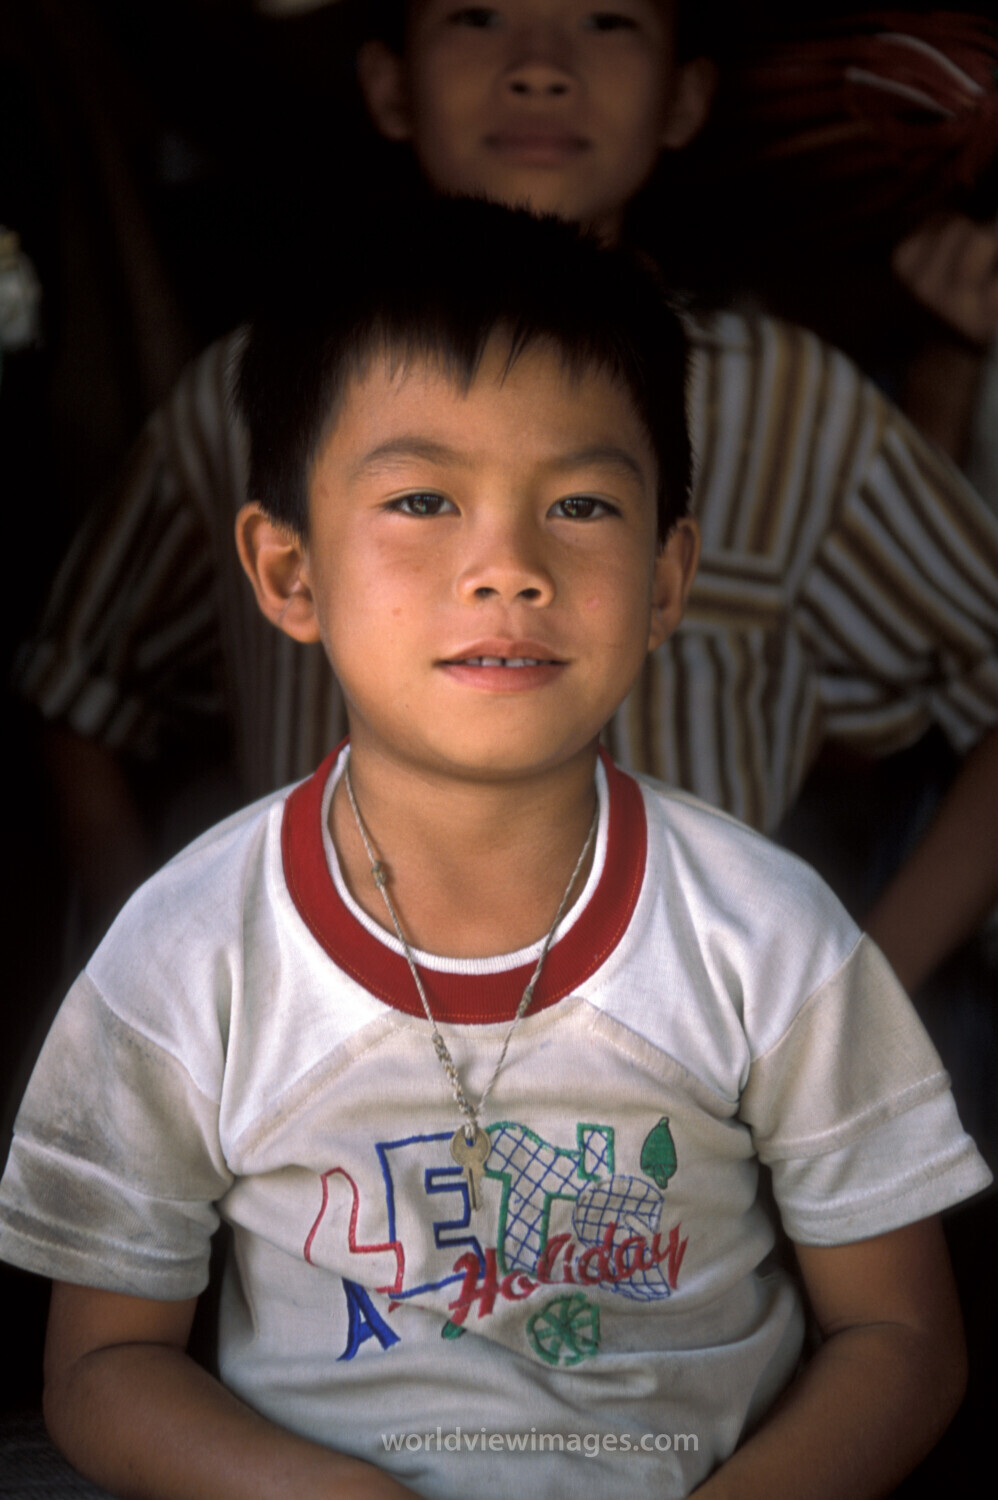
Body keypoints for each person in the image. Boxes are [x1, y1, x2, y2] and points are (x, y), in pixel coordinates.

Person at [0, 200, 989, 1500]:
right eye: (421, 498)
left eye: (578, 503)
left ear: (664, 579)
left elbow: (901, 1337)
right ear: (288, 573)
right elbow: (97, 1369)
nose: (506, 567)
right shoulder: (191, 950)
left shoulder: (767, 936)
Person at [17, 0, 998, 996]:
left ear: (685, 96)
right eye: (478, 15)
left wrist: (858, 995)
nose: (539, 66)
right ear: (390, 84)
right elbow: (82, 686)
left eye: (607, 20)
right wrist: (152, 968)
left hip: (691, 1079)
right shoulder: (254, 400)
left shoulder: (792, 407)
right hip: (316, 1075)